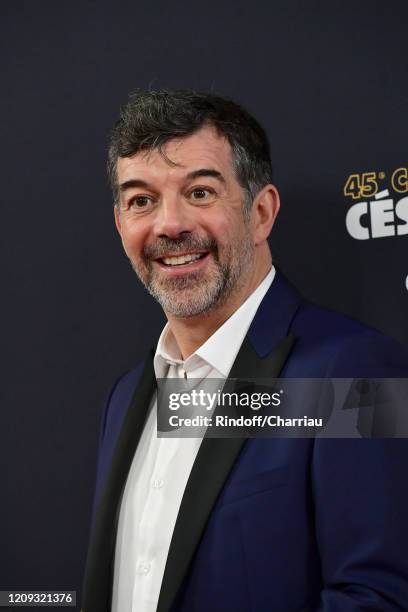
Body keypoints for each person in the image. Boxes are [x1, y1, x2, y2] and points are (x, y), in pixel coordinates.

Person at [82, 90, 408, 612]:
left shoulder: (352, 372)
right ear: (121, 224)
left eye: (201, 192)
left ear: (261, 213)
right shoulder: (124, 399)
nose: (169, 225)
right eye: (141, 200)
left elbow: (379, 599)